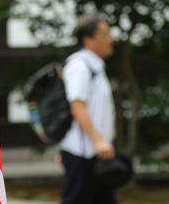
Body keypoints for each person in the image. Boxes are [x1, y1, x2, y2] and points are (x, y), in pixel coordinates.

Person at [59, 14, 117, 204]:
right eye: (105, 34)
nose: (111, 39)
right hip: (83, 155)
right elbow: (77, 107)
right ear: (88, 40)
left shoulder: (95, 67)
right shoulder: (80, 66)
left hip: (95, 153)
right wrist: (99, 140)